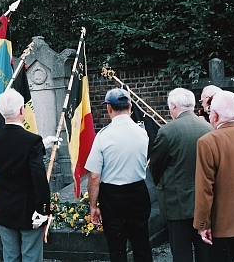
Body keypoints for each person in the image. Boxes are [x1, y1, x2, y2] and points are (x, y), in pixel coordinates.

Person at [85, 88, 152, 262]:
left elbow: (94, 176)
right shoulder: (143, 133)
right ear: (130, 105)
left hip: (112, 196)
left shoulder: (103, 136)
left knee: (117, 248)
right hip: (138, 191)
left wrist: (93, 205)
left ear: (108, 108)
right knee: (142, 244)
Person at [194, 90, 234, 262]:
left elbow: (204, 188)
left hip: (221, 226)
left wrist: (203, 224)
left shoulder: (207, 142)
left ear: (214, 115)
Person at [149, 88, 212, 262]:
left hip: (176, 203)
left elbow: (156, 167)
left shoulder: (167, 131)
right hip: (204, 201)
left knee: (181, 252)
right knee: (204, 250)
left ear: (174, 105)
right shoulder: (209, 128)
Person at [0, 88, 51, 262]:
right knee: (31, 256)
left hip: (4, 206)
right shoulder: (33, 141)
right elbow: (38, 177)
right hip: (29, 208)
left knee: (10, 256)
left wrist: (41, 146)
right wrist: (43, 209)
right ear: (22, 110)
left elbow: (11, 158)